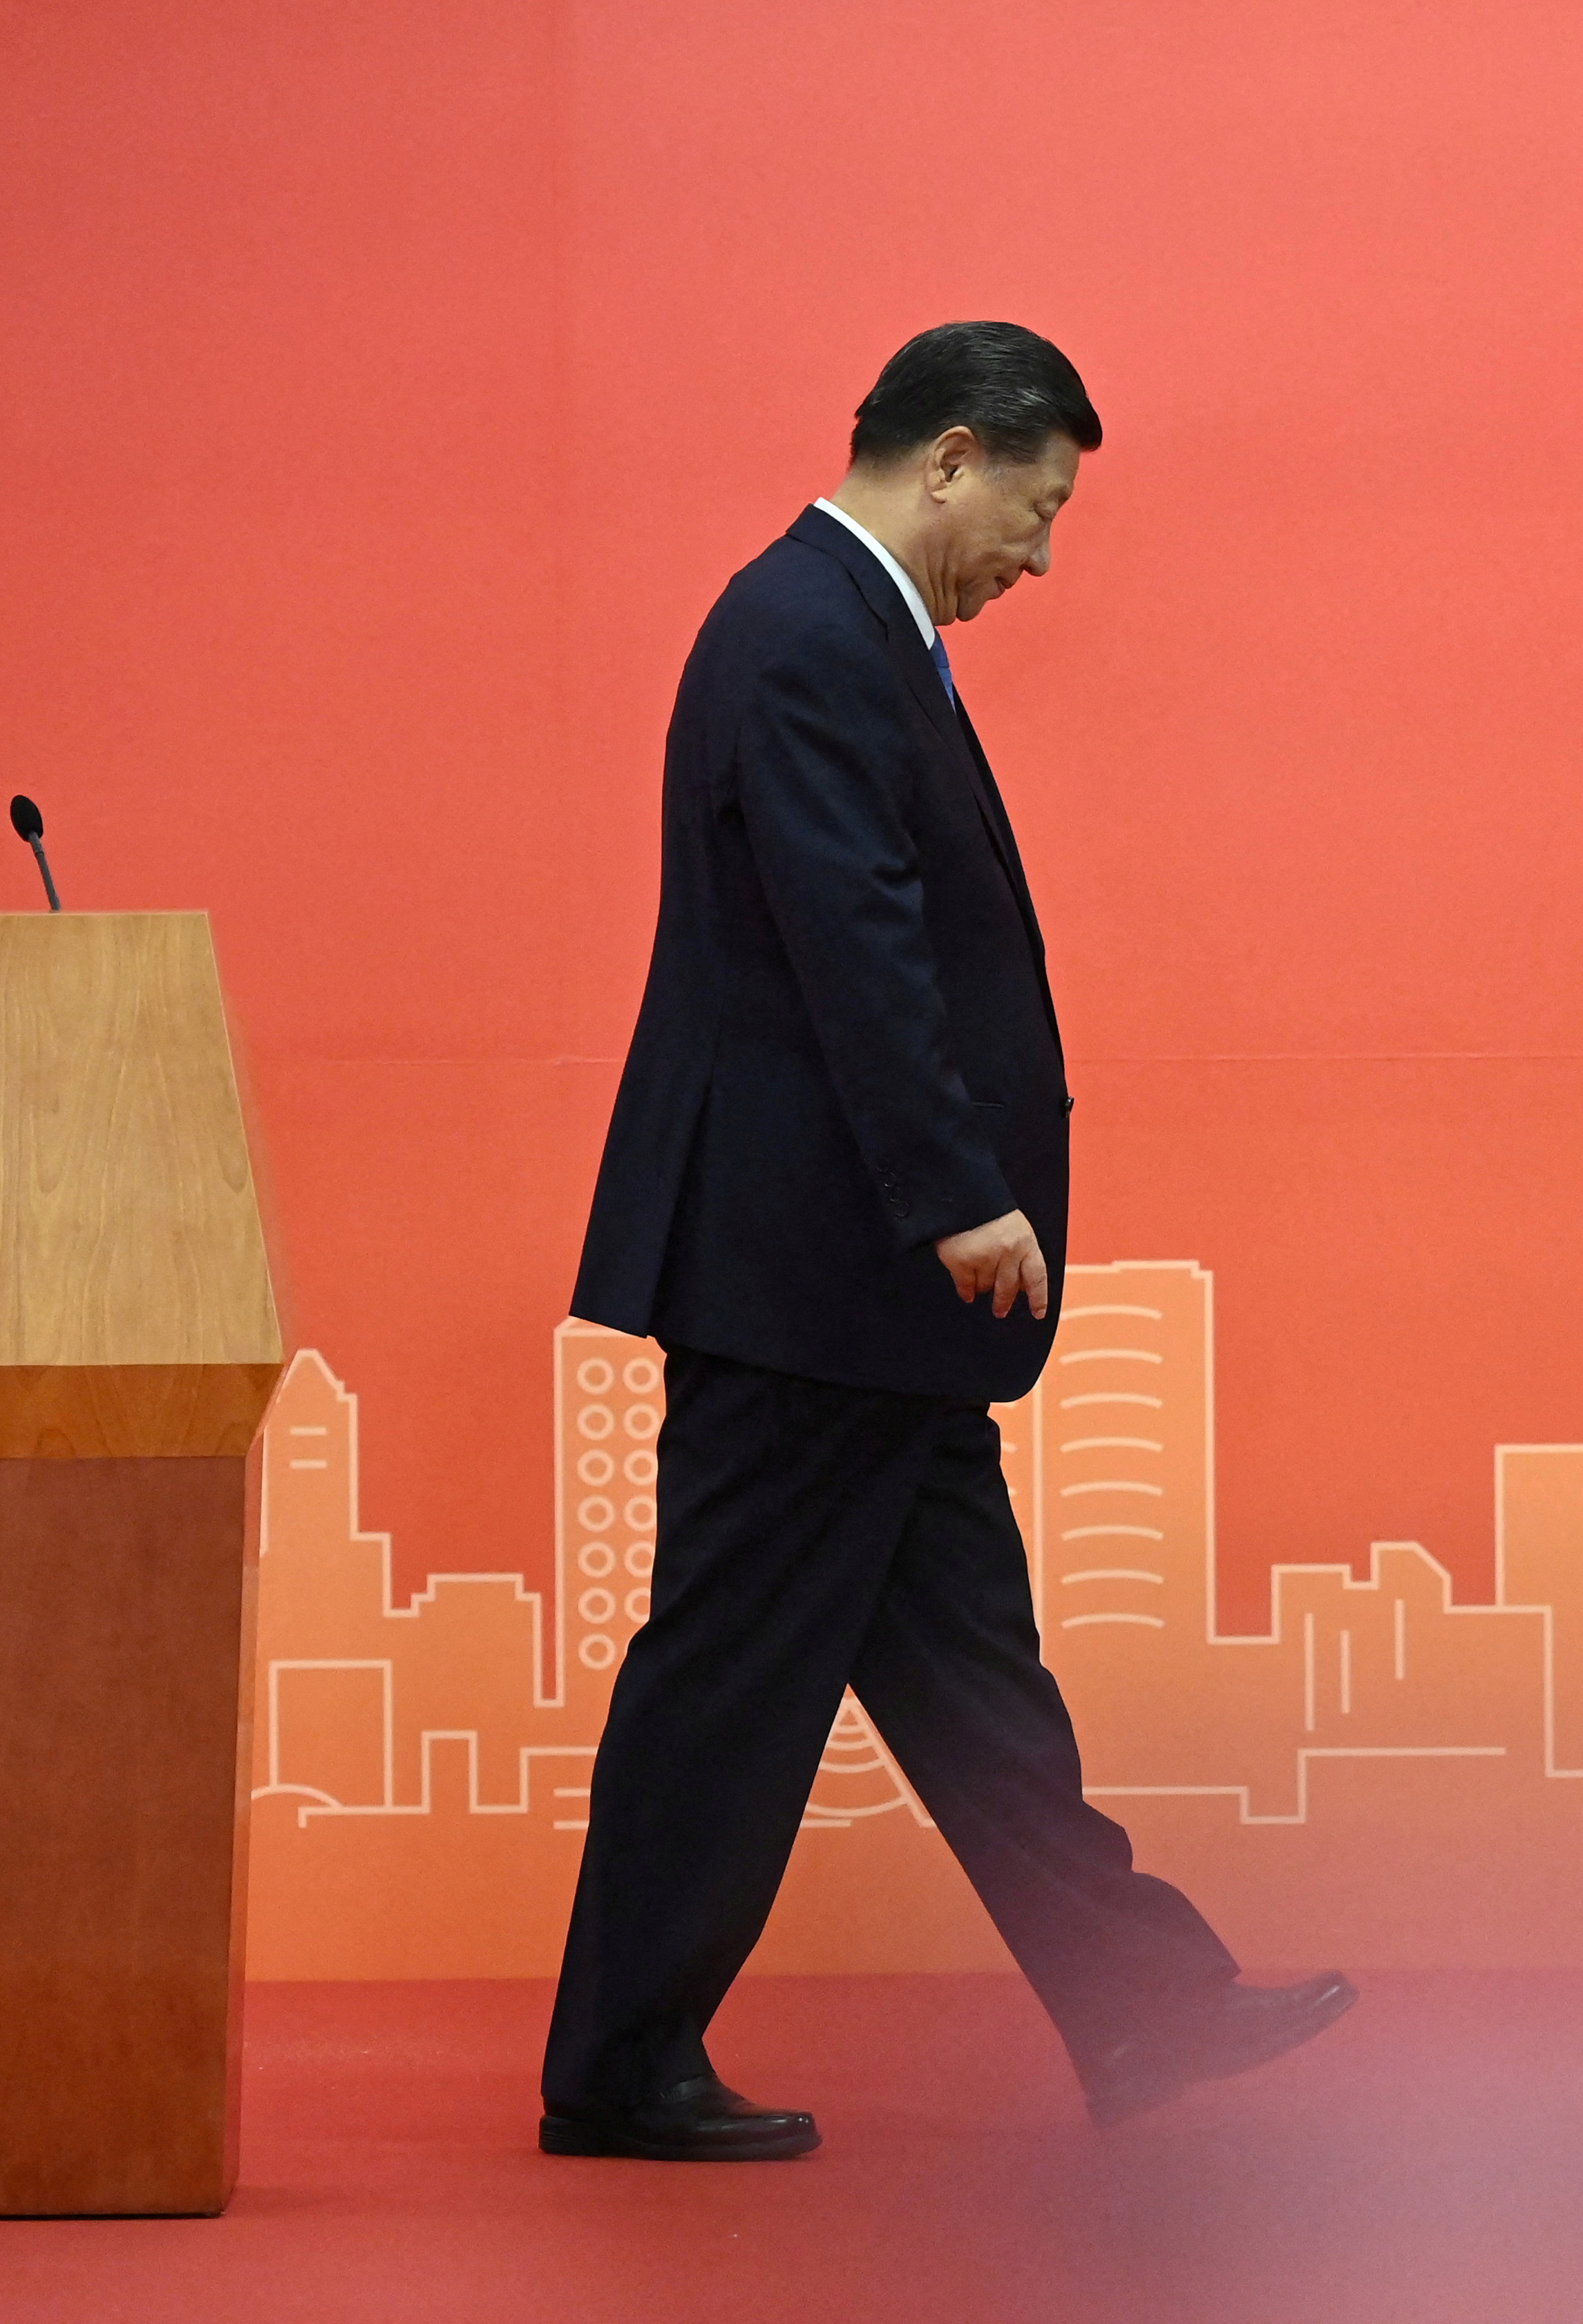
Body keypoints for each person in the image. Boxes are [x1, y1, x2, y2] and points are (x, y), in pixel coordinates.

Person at [538, 322, 1356, 2162]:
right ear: (952, 458)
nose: (1042, 558)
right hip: (815, 1270)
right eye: (1040, 509)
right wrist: (952, 1190)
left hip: (850, 1292)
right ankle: (614, 2066)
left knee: (969, 1670)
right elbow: (854, 941)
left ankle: (1141, 2006)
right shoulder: (814, 637)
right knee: (732, 1676)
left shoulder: (835, 629)